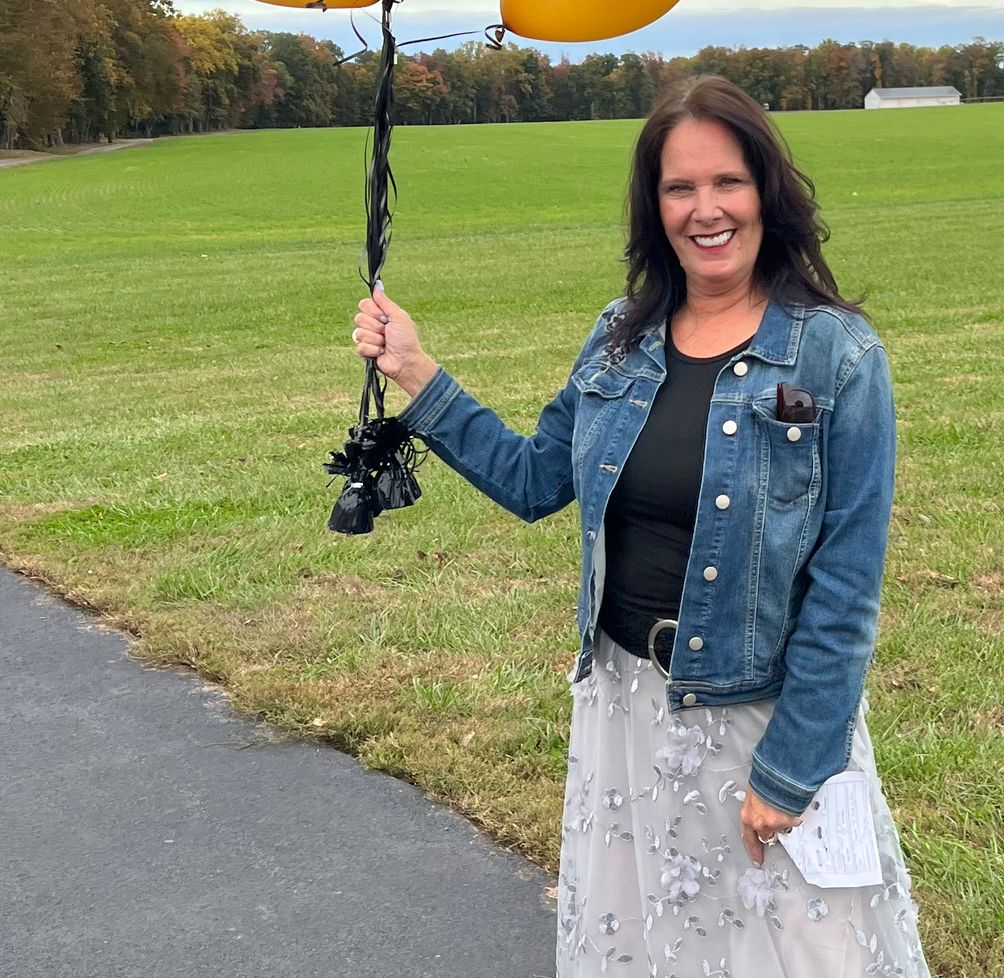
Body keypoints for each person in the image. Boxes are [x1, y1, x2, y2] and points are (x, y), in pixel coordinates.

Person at [352, 75, 933, 976]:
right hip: (628, 709)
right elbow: (535, 478)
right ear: (654, 205)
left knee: (794, 952)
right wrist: (419, 374)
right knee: (650, 946)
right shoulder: (621, 337)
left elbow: (847, 584)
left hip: (758, 718)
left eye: (727, 182)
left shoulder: (837, 356)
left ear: (765, 192)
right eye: (679, 187)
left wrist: (792, 770)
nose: (706, 209)